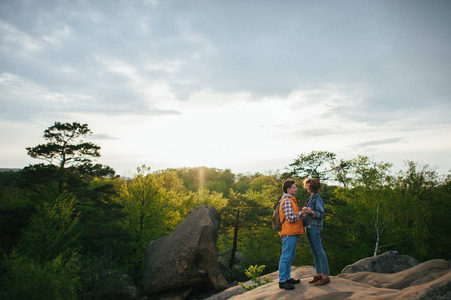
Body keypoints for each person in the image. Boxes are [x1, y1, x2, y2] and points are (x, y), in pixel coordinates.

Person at [302, 178, 330, 286]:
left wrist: (311, 212)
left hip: (314, 227)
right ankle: (318, 274)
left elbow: (321, 214)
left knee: (319, 251)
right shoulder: (311, 198)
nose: (306, 187)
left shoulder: (317, 199)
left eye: (307, 185)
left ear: (312, 187)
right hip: (309, 227)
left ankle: (325, 276)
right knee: (315, 251)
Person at [278, 179, 304, 290]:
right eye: (294, 187)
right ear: (288, 190)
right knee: (286, 257)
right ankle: (282, 281)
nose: (296, 189)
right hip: (288, 233)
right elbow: (290, 218)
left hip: (291, 232)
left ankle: (287, 278)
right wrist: (303, 213)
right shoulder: (287, 201)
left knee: (290, 256)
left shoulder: (290, 200)